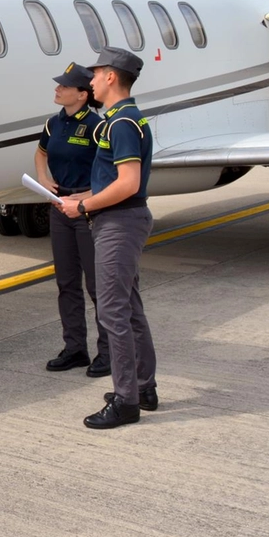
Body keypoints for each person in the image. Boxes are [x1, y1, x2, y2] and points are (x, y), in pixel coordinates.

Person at [57, 47, 158, 429]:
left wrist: (82, 209)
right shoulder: (120, 119)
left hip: (119, 223)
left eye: (96, 74)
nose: (91, 81)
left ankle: (126, 400)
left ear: (111, 77)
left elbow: (129, 184)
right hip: (118, 218)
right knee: (129, 308)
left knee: (112, 312)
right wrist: (80, 198)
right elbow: (114, 181)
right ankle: (143, 388)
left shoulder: (121, 123)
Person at [36, 62, 110, 377]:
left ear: (82, 94)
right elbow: (41, 153)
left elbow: (116, 169)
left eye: (64, 86)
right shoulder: (54, 123)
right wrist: (43, 178)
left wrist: (90, 194)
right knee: (66, 282)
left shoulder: (97, 126)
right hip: (59, 207)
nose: (57, 89)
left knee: (97, 285)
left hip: (88, 210)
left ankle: (107, 353)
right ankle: (75, 348)